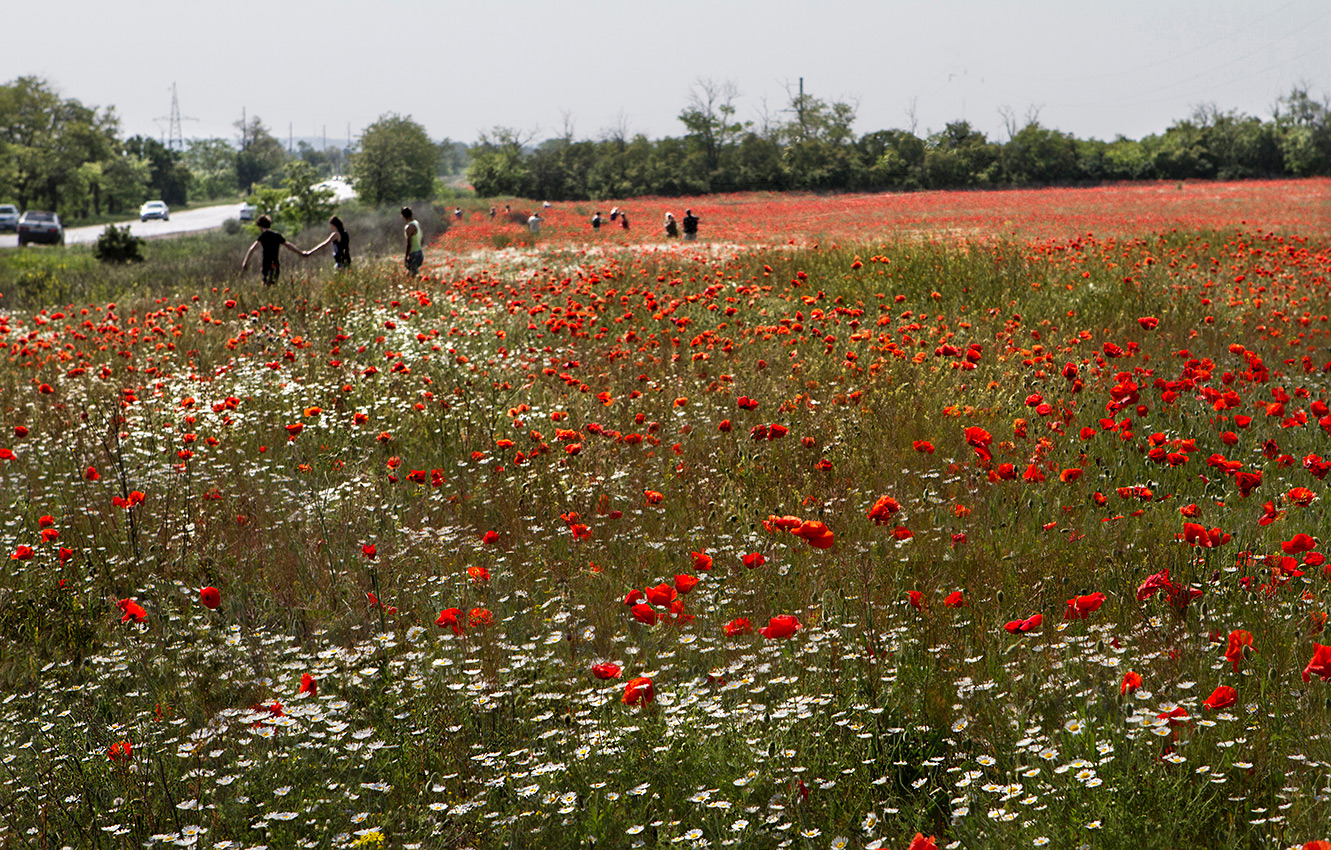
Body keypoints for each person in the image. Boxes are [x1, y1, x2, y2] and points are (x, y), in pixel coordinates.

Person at [241, 215, 304, 284]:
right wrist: (301, 252)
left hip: (266, 265)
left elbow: (252, 249)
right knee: (274, 283)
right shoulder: (276, 235)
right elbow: (288, 245)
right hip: (276, 264)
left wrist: (245, 262)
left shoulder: (263, 236)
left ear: (260, 227)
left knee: (265, 284)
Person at [402, 207, 424, 277]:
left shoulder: (409, 227)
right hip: (419, 253)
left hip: (413, 254)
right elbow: (422, 239)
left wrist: (406, 256)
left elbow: (409, 243)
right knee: (409, 275)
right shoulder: (417, 223)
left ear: (403, 216)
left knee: (413, 276)